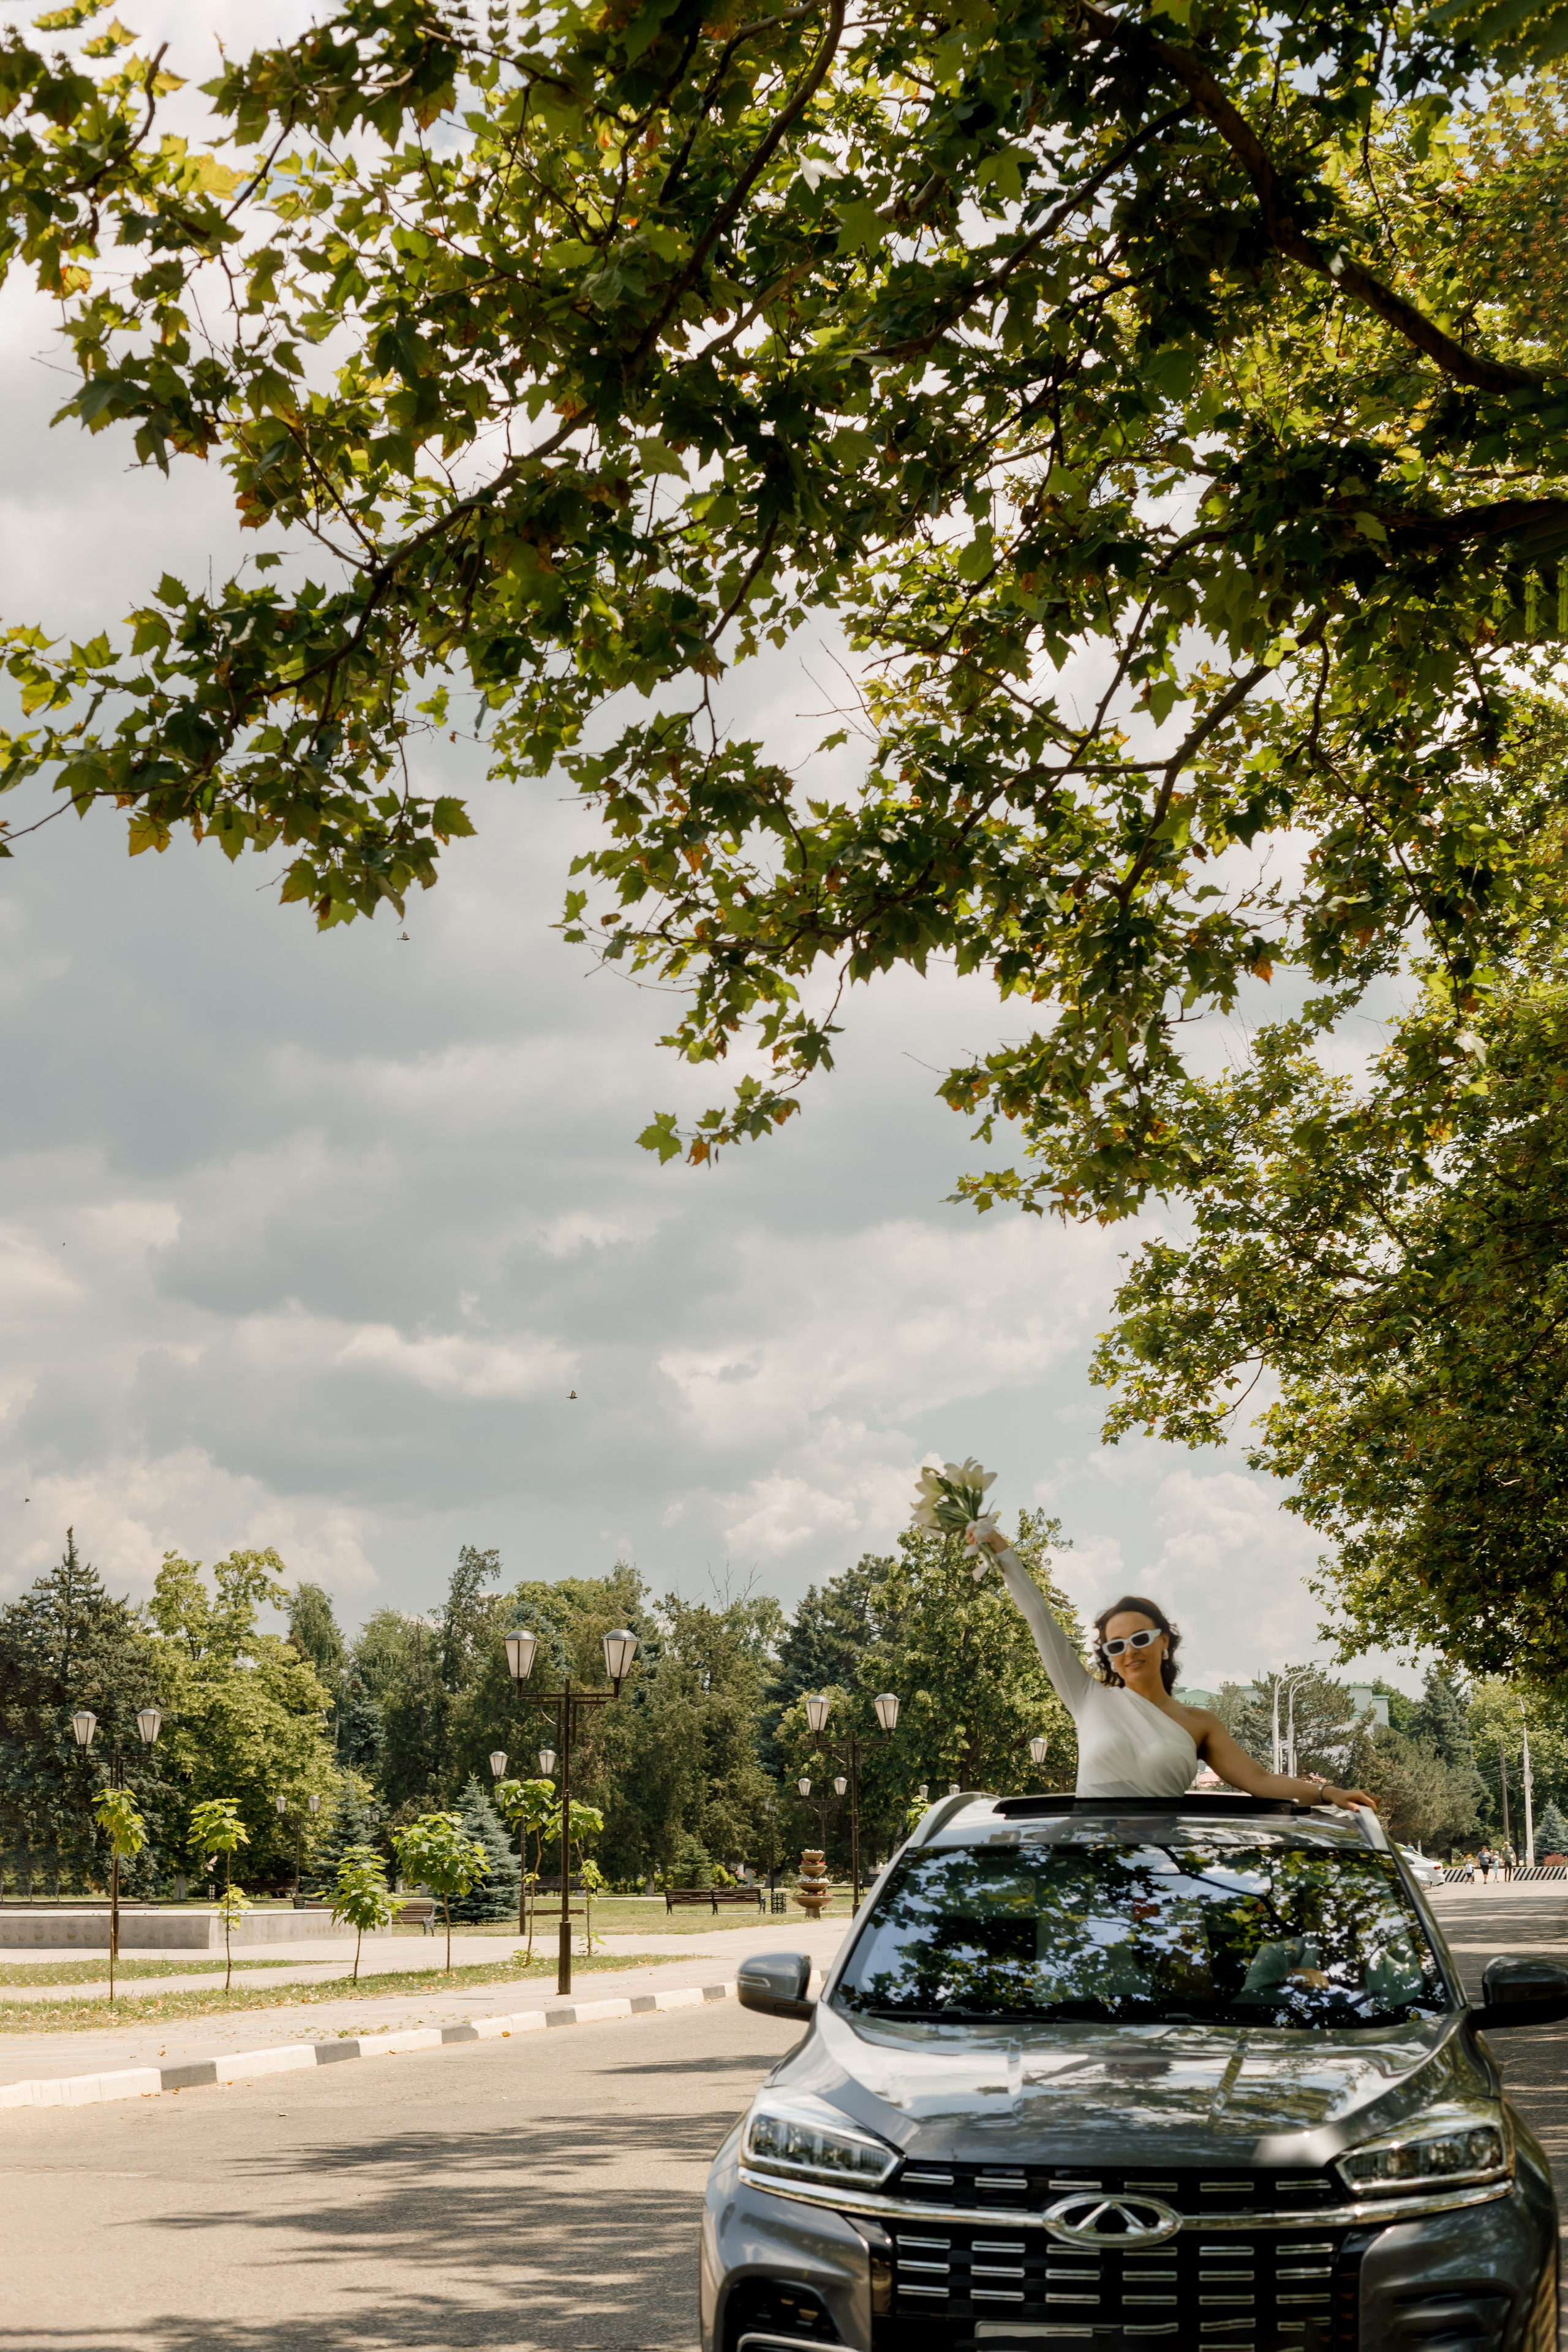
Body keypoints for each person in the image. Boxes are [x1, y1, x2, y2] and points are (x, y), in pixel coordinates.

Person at [972, 1525, 1378, 1811]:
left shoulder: (1199, 1722)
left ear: (1164, 1641)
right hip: (1092, 1868)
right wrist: (999, 1546)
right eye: (1117, 1644)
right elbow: (1040, 1617)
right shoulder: (1087, 1698)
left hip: (1166, 1871)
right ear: (1109, 1654)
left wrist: (1330, 1794)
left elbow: (1261, 1781)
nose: (1130, 1651)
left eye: (1140, 1638)